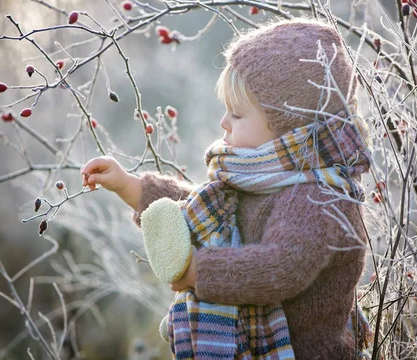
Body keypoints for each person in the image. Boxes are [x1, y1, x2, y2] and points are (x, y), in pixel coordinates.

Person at [80, 18, 373, 359]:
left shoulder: (317, 199)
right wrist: (130, 186)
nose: (223, 122)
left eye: (236, 114)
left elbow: (279, 268)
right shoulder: (263, 175)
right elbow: (206, 209)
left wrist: (198, 272)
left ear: (287, 126)